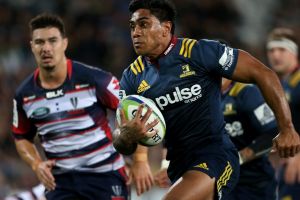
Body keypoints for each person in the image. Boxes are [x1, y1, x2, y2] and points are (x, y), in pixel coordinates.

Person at [113, 0, 300, 199]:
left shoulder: (199, 52)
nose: (135, 32)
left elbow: (262, 73)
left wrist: (287, 128)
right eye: (132, 26)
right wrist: (128, 137)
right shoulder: (132, 76)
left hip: (215, 155)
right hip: (178, 165)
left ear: (166, 28)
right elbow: (120, 139)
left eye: (143, 24)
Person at [11, 13, 128, 200]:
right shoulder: (24, 95)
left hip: (104, 175)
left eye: (52, 41)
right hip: (61, 183)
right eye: (40, 42)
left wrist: (140, 160)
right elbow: (21, 137)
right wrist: (36, 164)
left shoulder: (95, 79)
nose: (46, 48)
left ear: (64, 43)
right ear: (32, 46)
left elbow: (133, 111)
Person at [221, 78, 278, 199]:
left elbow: (272, 132)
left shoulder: (247, 92)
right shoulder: (200, 96)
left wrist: (240, 157)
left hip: (253, 181)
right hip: (220, 182)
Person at [266, 27, 300, 200]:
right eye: (271, 50)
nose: (275, 55)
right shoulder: (284, 84)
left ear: (293, 52)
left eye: (281, 49)